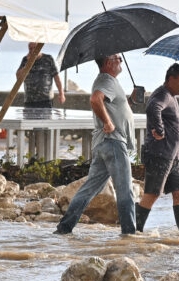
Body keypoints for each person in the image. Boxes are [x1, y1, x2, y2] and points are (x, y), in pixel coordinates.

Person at [55, 54, 138, 235]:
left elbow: (112, 106)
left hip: (104, 143)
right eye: (118, 58)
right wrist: (108, 123)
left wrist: (130, 100)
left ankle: (64, 227)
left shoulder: (108, 81)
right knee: (125, 190)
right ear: (109, 63)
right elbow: (95, 99)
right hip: (113, 142)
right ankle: (129, 234)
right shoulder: (106, 80)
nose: (121, 61)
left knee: (89, 189)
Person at [136, 63, 179, 232]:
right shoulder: (163, 95)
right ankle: (133, 228)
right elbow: (152, 107)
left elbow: (174, 125)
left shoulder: (172, 97)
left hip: (172, 157)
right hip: (159, 155)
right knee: (152, 194)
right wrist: (158, 129)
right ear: (171, 79)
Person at [17, 42, 65, 108]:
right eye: (30, 49)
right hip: (30, 100)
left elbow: (56, 77)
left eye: (35, 48)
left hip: (46, 100)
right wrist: (27, 64)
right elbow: (18, 76)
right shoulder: (25, 60)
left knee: (46, 118)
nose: (32, 50)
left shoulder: (48, 59)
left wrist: (61, 93)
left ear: (39, 48)